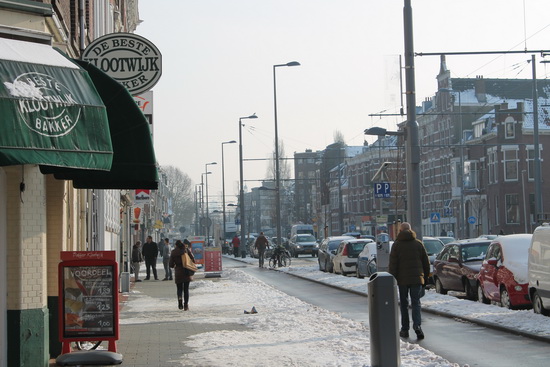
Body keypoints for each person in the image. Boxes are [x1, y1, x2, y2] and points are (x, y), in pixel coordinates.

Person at [389, 222, 430, 340]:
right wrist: (425, 278)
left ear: (400, 231)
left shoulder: (396, 245)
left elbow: (393, 265)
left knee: (404, 304)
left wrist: (393, 278)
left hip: (402, 280)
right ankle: (417, 326)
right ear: (411, 230)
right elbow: (426, 263)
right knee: (416, 303)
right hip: (417, 279)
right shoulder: (418, 244)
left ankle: (404, 329)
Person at [169, 239, 195, 310]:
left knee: (179, 289)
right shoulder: (186, 250)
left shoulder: (173, 252)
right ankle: (186, 305)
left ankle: (180, 302)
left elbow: (170, 264)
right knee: (186, 289)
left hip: (178, 272)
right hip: (186, 271)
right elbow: (193, 259)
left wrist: (175, 265)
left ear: (176, 245)